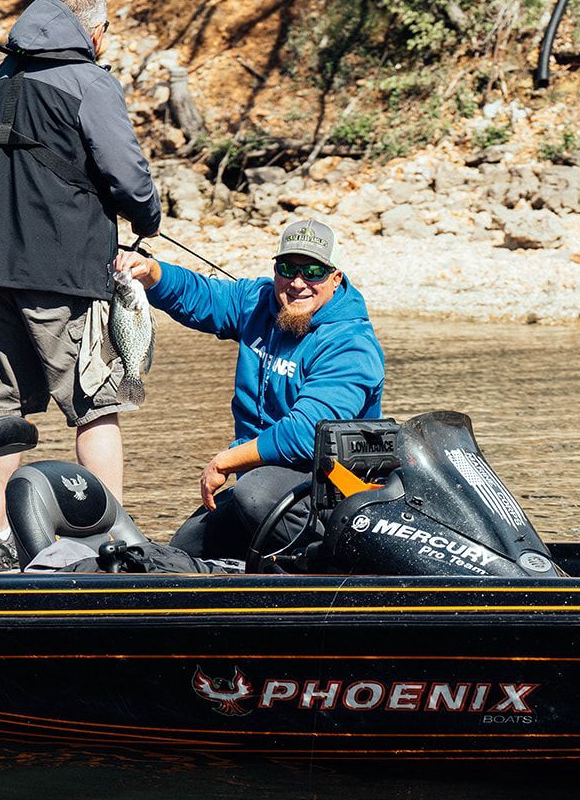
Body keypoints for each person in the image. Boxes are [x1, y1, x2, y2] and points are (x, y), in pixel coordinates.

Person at [0, 0, 161, 569]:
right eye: (105, 30)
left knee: (1, 408)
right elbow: (127, 176)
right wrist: (147, 215)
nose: (105, 41)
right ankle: (112, 542)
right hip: (64, 274)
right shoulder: (89, 82)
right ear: (93, 29)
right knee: (95, 404)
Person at [114, 219, 384, 560]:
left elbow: (307, 433)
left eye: (313, 271)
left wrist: (225, 462)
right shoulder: (258, 302)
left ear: (335, 278)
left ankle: (321, 563)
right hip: (260, 480)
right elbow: (203, 297)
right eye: (287, 268)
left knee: (253, 493)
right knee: (183, 550)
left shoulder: (350, 344)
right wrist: (151, 272)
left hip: (330, 491)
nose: (298, 282)